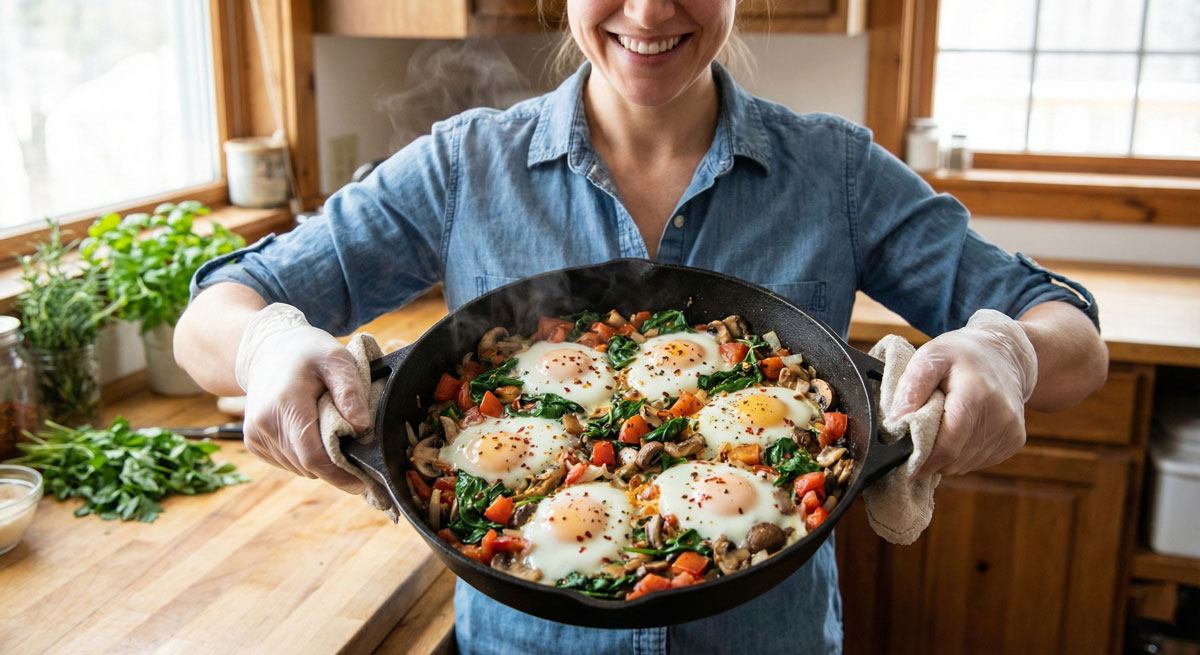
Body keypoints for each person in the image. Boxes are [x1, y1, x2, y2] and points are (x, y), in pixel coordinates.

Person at [175, 1, 1109, 653]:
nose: (652, 9)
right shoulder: (465, 168)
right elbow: (214, 307)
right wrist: (267, 345)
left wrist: (1010, 351)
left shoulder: (836, 173)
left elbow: (1073, 329)